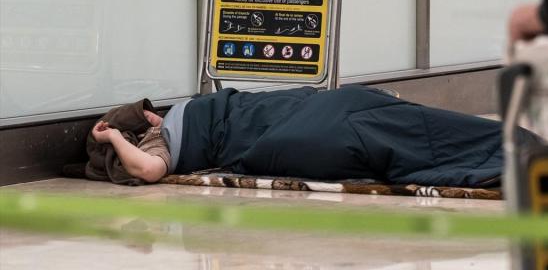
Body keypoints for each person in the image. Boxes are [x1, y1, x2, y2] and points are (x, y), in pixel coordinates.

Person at [85, 85, 525, 187]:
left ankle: (513, 151)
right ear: (142, 126)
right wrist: (113, 141)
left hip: (310, 117)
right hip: (307, 127)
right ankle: (515, 148)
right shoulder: (158, 144)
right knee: (417, 129)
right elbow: (145, 172)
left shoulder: (184, 115)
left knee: (408, 136)